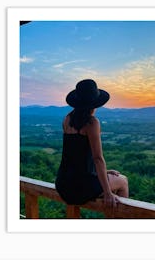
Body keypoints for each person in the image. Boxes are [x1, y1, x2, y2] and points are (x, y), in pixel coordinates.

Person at [55, 79, 129, 209]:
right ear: (94, 104)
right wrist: (107, 192)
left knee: (112, 178)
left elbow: (75, 155)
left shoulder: (67, 119)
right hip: (82, 187)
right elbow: (97, 158)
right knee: (123, 181)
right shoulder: (92, 123)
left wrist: (104, 172)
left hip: (63, 184)